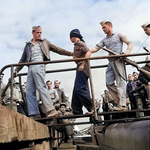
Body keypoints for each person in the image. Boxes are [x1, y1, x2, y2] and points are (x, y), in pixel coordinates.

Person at [14, 26, 72, 119]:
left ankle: (51, 110)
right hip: (30, 67)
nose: (39, 34)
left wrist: (70, 53)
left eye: (40, 32)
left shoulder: (44, 42)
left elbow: (57, 49)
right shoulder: (28, 45)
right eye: (37, 32)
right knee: (29, 90)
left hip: (39, 64)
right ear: (33, 33)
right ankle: (34, 113)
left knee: (41, 86)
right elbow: (22, 60)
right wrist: (16, 70)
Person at [90, 20, 134, 111]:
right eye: (102, 28)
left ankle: (123, 105)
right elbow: (96, 48)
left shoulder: (118, 35)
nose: (103, 29)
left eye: (104, 27)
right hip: (111, 62)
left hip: (118, 60)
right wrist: (88, 50)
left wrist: (126, 53)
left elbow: (130, 43)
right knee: (108, 82)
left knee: (120, 82)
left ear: (110, 26)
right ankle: (121, 100)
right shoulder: (104, 40)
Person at [70, 29, 93, 114]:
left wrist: (83, 63)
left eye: (71, 37)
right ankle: (77, 110)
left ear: (73, 37)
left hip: (82, 67)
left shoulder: (80, 43)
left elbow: (88, 52)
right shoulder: (76, 45)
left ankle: (92, 107)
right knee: (76, 89)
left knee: (80, 89)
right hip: (79, 66)